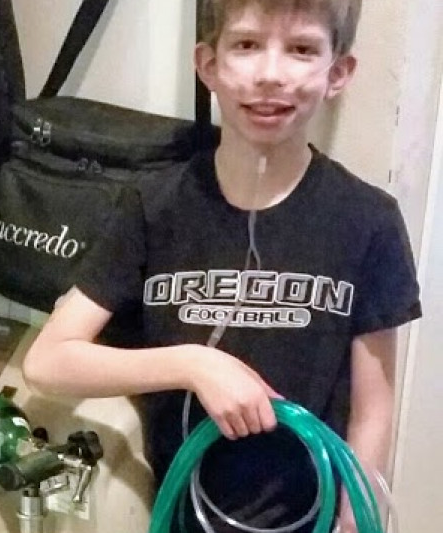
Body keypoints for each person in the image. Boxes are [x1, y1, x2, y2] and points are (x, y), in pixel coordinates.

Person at [22, 1, 421, 532]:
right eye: (247, 44)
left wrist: (352, 522)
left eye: (302, 49)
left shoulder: (368, 221)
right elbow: (47, 362)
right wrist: (194, 364)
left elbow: (373, 410)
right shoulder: (153, 206)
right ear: (208, 65)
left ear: (338, 73)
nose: (271, 74)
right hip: (179, 516)